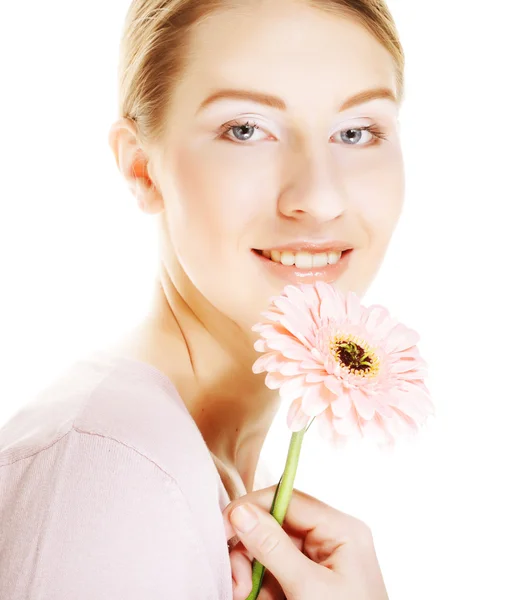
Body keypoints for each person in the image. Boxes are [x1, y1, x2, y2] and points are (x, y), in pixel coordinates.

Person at [0, 0, 404, 597]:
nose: (318, 198)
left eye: (355, 131)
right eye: (245, 129)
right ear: (142, 169)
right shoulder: (112, 476)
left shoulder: (220, 475)